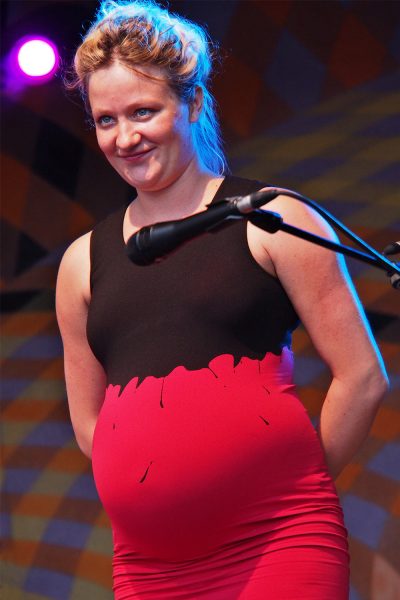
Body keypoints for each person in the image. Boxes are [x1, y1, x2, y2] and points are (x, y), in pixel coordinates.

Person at [56, 1, 388, 598]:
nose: (125, 137)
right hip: (147, 568)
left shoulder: (274, 218)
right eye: (106, 120)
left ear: (194, 104)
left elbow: (362, 377)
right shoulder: (81, 261)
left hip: (279, 543)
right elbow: (89, 423)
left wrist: (292, 492)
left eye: (143, 112)